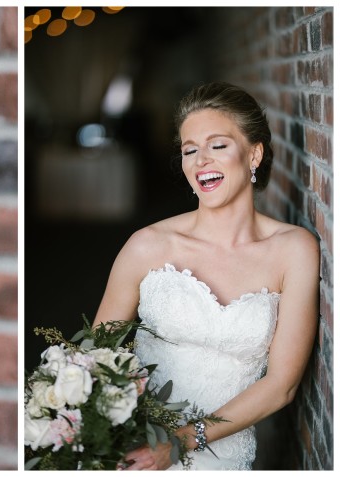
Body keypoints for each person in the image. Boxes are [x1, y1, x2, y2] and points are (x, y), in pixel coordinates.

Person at [91, 82, 319, 470]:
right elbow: (93, 356)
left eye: (218, 145)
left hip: (223, 458)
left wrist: (181, 441)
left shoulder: (294, 249)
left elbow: (282, 385)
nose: (201, 162)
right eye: (190, 150)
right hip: (137, 450)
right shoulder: (147, 246)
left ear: (254, 154)